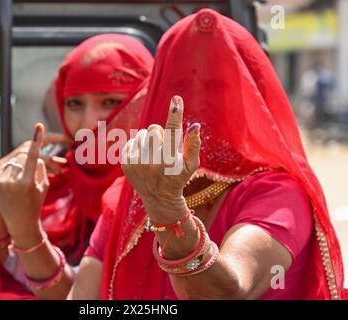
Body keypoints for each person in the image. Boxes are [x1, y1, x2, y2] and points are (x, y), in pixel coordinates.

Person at [76, 9, 346, 300]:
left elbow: (226, 293)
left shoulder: (277, 192)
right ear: (155, 96)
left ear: (250, 100)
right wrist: (28, 232)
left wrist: (166, 210)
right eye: (180, 88)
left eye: (219, 88)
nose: (202, 104)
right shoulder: (127, 197)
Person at [0, 33, 153, 300]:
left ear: (146, 100)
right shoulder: (49, 182)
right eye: (74, 103)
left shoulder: (168, 185)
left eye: (110, 101)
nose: (88, 123)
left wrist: (27, 231)